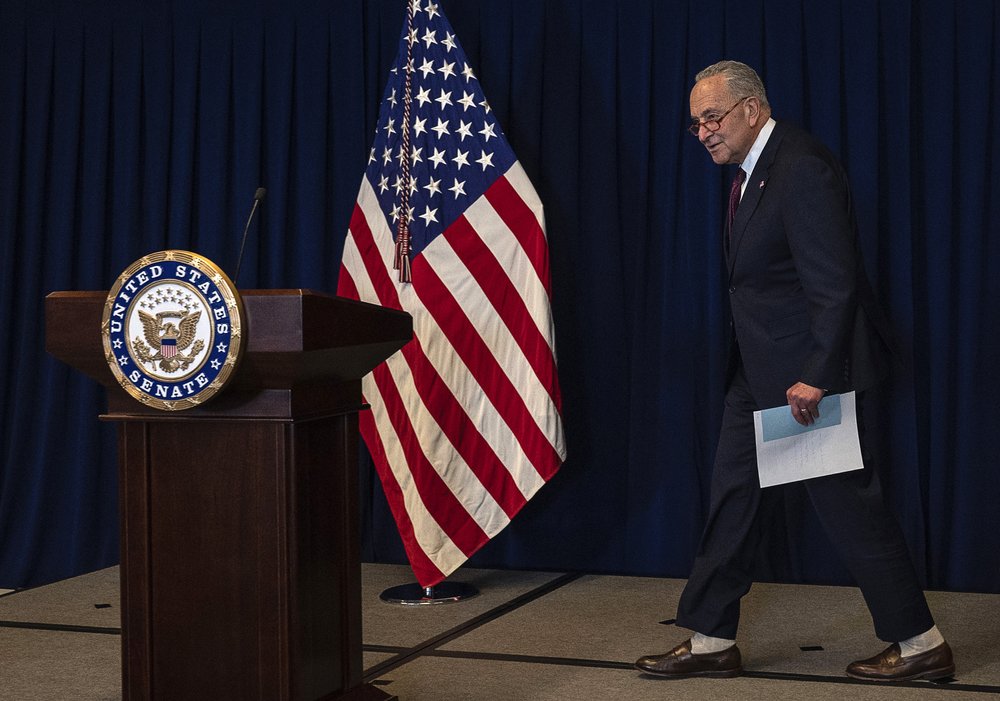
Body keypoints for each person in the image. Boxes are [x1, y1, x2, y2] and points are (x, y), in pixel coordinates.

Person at [634, 60, 954, 682]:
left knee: (849, 509)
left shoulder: (801, 167)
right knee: (732, 502)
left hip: (803, 381)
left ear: (752, 109)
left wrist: (816, 374)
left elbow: (834, 285)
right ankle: (710, 639)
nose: (702, 131)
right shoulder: (753, 173)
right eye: (695, 122)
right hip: (757, 372)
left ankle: (921, 644)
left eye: (713, 117)